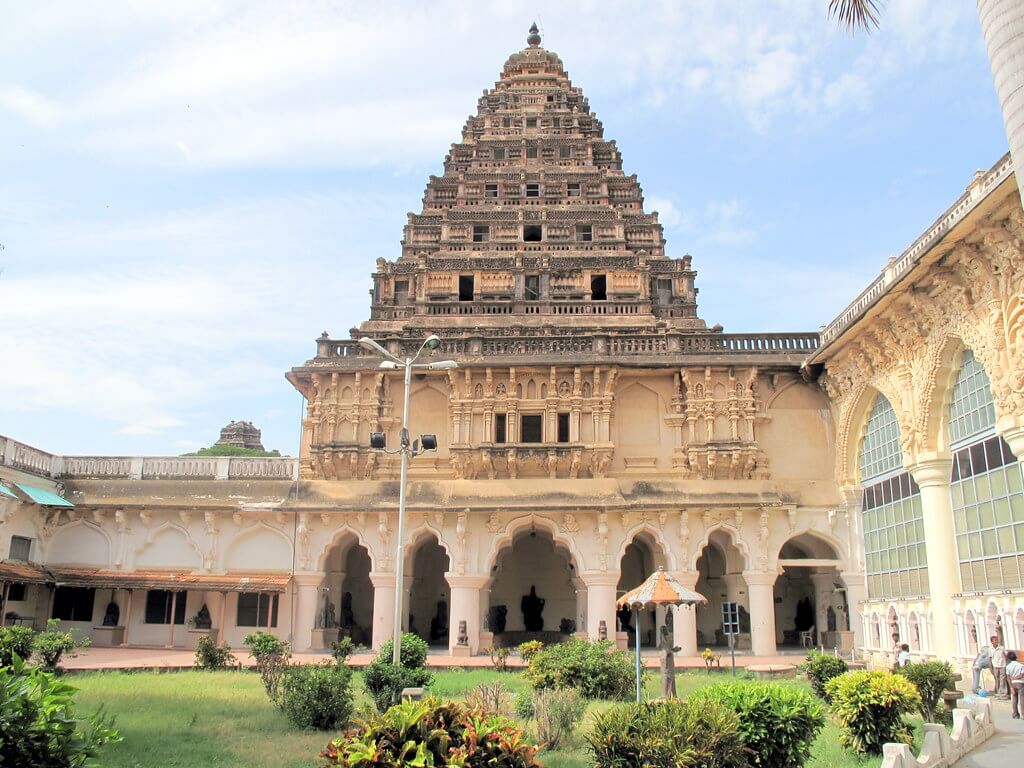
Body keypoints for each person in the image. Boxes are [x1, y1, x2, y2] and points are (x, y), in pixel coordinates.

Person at [1006, 651, 1024, 719]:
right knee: (1022, 699)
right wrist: (1016, 677)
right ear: (1016, 657)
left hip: (1013, 683)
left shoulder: (1008, 666)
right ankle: (1023, 714)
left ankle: (1015, 714)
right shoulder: (1021, 665)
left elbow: (1008, 677)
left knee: (1014, 699)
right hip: (1021, 683)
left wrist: (1011, 687)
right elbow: (1022, 675)